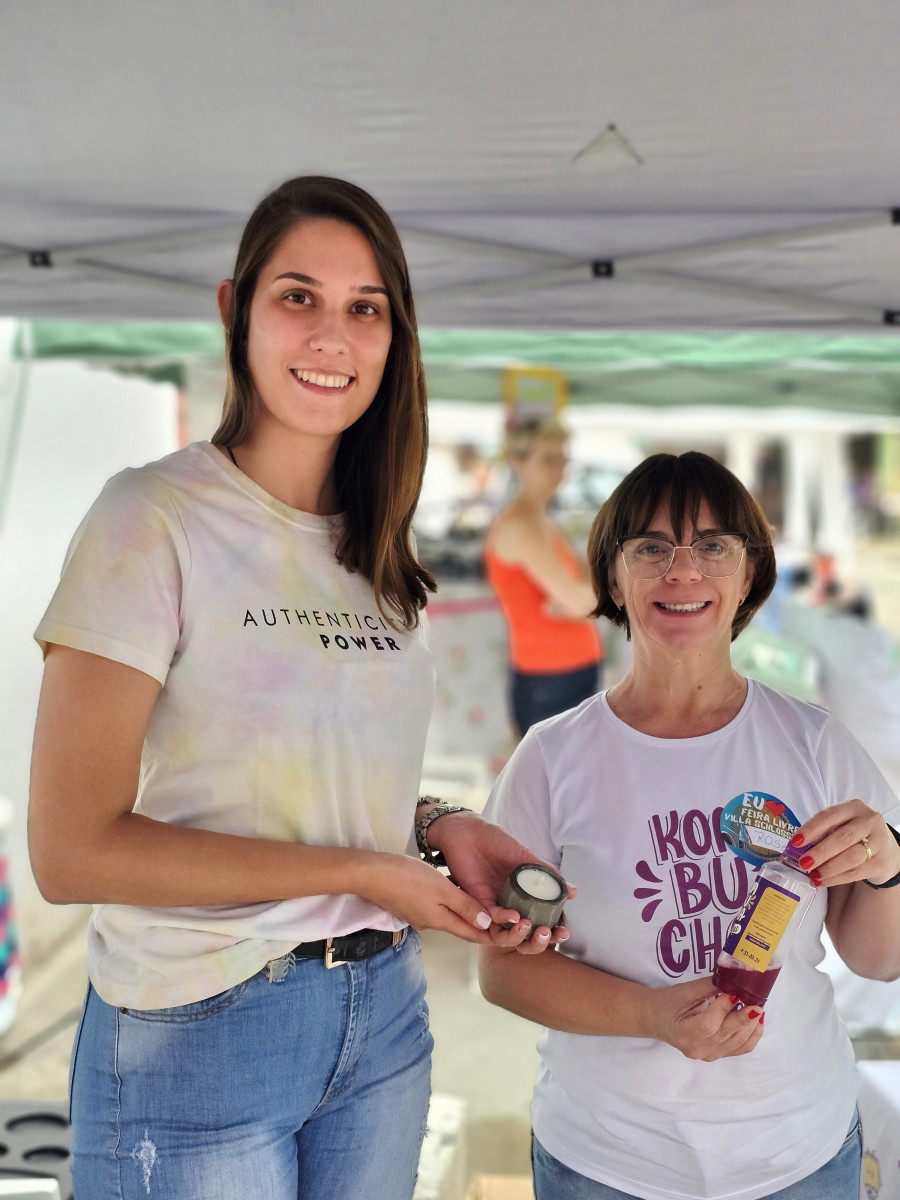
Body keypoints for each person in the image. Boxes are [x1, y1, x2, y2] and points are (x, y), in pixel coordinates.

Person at [28, 176, 561, 1200]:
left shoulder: (377, 554)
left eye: (367, 308)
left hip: (382, 1015)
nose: (333, 336)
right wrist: (368, 869)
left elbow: (281, 785)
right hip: (203, 1021)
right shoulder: (152, 519)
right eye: (298, 297)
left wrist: (435, 826)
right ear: (236, 312)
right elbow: (71, 846)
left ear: (395, 338)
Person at [479, 450, 900, 1200]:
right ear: (613, 577)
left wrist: (888, 864)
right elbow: (505, 969)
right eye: (649, 548)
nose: (683, 571)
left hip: (796, 1151)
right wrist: (650, 1015)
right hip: (606, 1159)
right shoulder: (551, 758)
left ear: (749, 576)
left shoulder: (814, 743)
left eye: (713, 546)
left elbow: (877, 959)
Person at [484, 416, 604, 737]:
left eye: (562, 458)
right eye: (548, 459)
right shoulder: (520, 526)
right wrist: (587, 599)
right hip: (549, 678)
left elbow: (590, 582)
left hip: (568, 671)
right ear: (518, 461)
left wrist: (585, 598)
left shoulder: (543, 521)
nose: (559, 469)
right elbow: (584, 599)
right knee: (555, 784)